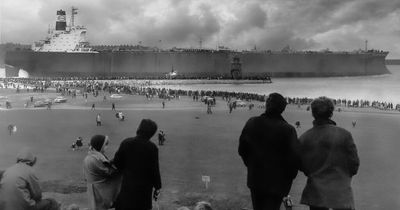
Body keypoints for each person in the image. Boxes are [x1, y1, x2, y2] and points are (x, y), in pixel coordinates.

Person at [238, 93, 299, 210]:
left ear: (266, 105)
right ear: (283, 108)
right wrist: (288, 178)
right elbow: (294, 159)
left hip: (256, 178)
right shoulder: (288, 129)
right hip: (278, 182)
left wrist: (251, 165)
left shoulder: (252, 122)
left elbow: (242, 150)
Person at [298, 97, 360, 210]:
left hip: (316, 191)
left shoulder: (305, 137)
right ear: (331, 113)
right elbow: (354, 164)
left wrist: (313, 173)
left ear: (313, 113)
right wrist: (344, 175)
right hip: (341, 190)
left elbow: (302, 165)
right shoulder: (345, 134)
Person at [112, 119, 162, 210]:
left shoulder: (126, 142)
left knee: (125, 205)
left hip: (128, 184)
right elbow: (154, 169)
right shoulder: (152, 147)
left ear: (139, 128)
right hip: (144, 188)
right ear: (152, 133)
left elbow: (117, 163)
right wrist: (158, 186)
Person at [83, 135, 121, 210]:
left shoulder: (90, 156)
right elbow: (109, 172)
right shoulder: (95, 159)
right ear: (99, 145)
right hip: (99, 190)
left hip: (94, 188)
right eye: (105, 145)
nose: (106, 147)